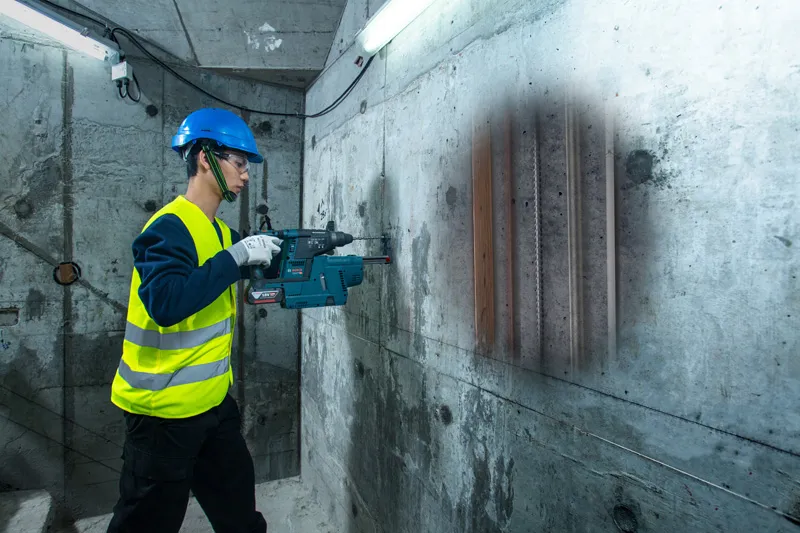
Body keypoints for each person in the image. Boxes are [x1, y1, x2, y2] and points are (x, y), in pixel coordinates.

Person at [106, 107, 283, 533]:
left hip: (212, 405)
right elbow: (167, 303)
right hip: (162, 414)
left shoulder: (221, 234)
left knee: (240, 515)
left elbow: (255, 266)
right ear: (205, 158)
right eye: (239, 164)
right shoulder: (168, 228)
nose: (245, 176)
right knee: (145, 524)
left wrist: (291, 254)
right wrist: (239, 257)